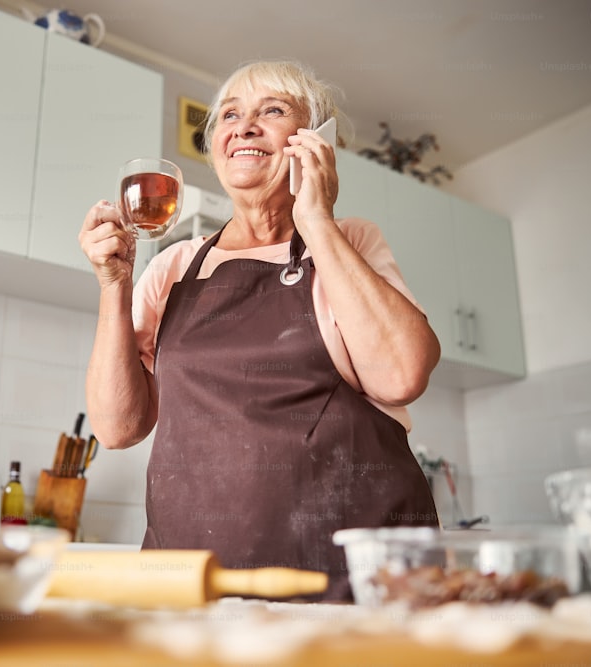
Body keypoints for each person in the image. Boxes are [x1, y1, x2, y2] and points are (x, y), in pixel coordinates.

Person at [78, 60, 439, 601]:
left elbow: (403, 374)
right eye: (229, 114)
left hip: (350, 595)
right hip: (193, 593)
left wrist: (317, 220)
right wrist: (114, 283)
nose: (243, 126)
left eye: (272, 111)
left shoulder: (351, 243)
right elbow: (116, 428)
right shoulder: (175, 266)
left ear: (314, 141)